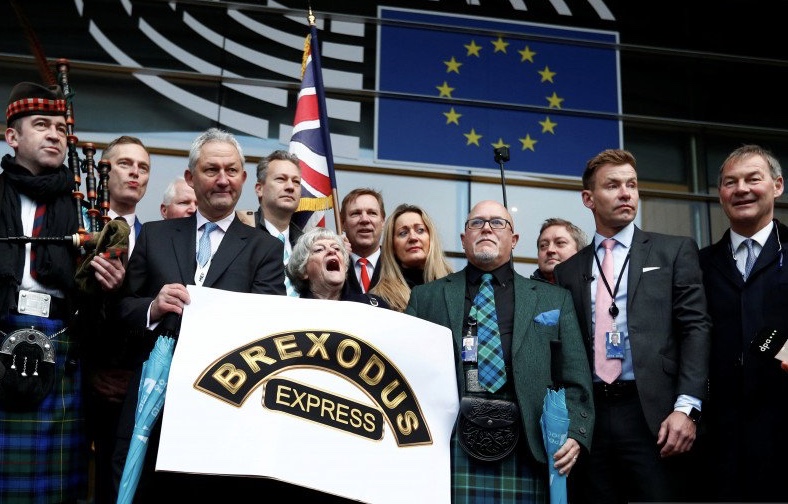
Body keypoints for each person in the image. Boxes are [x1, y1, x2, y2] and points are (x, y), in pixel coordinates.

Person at [112, 127, 286, 501]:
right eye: (211, 170)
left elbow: (269, 326)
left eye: (231, 170)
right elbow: (122, 310)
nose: (223, 180)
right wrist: (152, 308)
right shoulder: (155, 235)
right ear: (191, 178)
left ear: (242, 176)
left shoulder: (265, 249)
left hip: (223, 406)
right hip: (151, 403)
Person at [405, 200, 593, 504]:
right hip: (449, 445)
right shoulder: (426, 298)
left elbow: (574, 376)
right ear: (464, 238)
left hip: (528, 444)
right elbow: (407, 375)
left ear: (514, 240)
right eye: (476, 223)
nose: (487, 228)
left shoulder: (553, 300)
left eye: (497, 222)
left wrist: (576, 432)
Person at [553, 148, 711, 503]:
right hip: (590, 418)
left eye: (632, 185)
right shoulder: (567, 271)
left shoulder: (673, 251)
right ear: (588, 198)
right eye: (613, 186)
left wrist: (687, 409)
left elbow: (696, 329)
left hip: (654, 415)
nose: (626, 193)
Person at [0, 82, 125, 503]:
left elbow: (95, 292)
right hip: (0, 329)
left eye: (59, 126)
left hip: (60, 341)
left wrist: (107, 284)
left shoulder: (84, 206)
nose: (55, 134)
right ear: (12, 136)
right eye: (41, 125)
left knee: (52, 491)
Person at [698, 144, 788, 502]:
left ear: (777, 185)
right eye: (730, 182)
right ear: (720, 194)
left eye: (753, 179)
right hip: (719, 439)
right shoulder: (698, 264)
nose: (742, 189)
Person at [81, 134, 152, 504]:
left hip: (128, 388)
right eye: (125, 164)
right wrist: (91, 369)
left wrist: (130, 375)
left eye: (143, 167)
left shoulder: (155, 238)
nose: (135, 173)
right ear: (103, 171)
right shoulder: (79, 224)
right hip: (77, 378)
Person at [370, 203, 452, 311]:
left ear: (431, 239)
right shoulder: (380, 299)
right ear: (392, 246)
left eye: (420, 230)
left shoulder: (456, 286)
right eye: (403, 233)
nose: (413, 237)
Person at [287, 227, 389, 308]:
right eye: (319, 249)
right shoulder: (292, 313)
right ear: (303, 270)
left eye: (336, 248)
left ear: (345, 267)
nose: (332, 251)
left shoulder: (374, 308)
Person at [254, 150, 304, 296]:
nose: (290, 187)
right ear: (259, 189)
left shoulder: (306, 244)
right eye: (281, 179)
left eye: (296, 182)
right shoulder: (240, 235)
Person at [340, 188, 385, 295]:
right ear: (342, 223)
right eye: (355, 213)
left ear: (383, 222)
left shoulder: (399, 266)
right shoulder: (332, 265)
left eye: (372, 213)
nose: (364, 219)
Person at [531, 217, 587, 284]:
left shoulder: (595, 291)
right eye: (543, 245)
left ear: (580, 252)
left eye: (560, 242)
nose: (550, 250)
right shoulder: (522, 292)